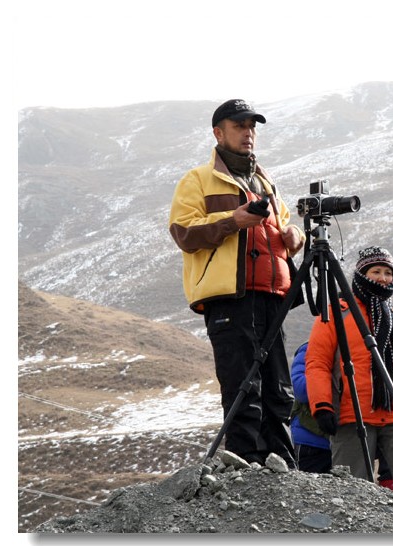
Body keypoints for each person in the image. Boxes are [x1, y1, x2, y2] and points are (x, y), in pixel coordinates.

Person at [168, 99, 306, 468]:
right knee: (243, 383)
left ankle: (282, 465)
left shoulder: (265, 182)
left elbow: (284, 226)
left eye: (252, 126)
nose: (248, 133)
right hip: (229, 296)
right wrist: (233, 220)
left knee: (278, 386)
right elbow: (183, 233)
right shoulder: (197, 180)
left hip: (272, 295)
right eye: (239, 126)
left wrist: (295, 236)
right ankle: (247, 462)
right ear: (219, 132)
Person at [305, 246, 393, 503]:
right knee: (353, 495)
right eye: (376, 271)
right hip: (351, 413)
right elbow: (317, 363)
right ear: (361, 274)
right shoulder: (336, 312)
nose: (382, 278)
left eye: (388, 272)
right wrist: (322, 406)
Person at [290, 341, 393, 489]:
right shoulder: (311, 349)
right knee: (313, 495)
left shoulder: (367, 349)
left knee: (356, 491)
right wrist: (335, 375)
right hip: (314, 443)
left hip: (353, 439)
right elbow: (301, 390)